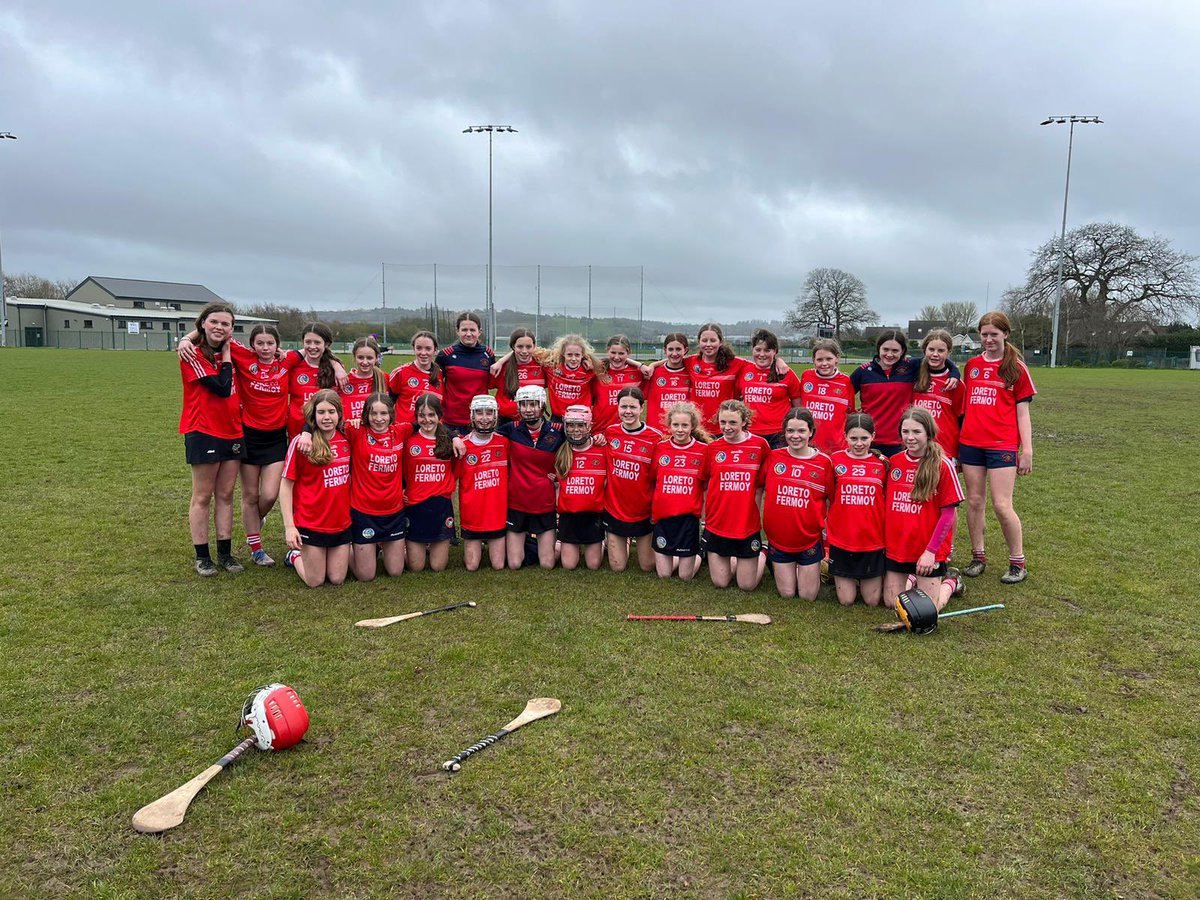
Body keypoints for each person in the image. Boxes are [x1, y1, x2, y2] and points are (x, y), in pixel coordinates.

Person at [959, 311, 1036, 585]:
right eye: (984, 334)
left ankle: (1018, 562)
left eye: (994, 334)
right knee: (975, 501)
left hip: (1001, 445)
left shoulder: (1016, 367)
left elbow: (1023, 414)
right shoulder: (972, 365)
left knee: (1003, 505)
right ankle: (978, 557)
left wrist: (1026, 450)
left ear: (1006, 334)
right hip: (970, 444)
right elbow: (965, 404)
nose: (989, 339)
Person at [178, 302, 246, 576]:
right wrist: (227, 356)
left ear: (231, 329)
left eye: (225, 324)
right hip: (203, 431)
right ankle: (202, 556)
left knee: (227, 495)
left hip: (233, 430)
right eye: (214, 322)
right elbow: (220, 387)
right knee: (203, 495)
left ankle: (226, 554)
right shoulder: (190, 353)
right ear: (203, 324)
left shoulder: (235, 347)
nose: (219, 327)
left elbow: (262, 352)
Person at [883, 407, 965, 611]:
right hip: (899, 547)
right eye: (905, 432)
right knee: (892, 604)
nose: (910, 437)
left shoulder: (942, 465)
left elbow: (949, 515)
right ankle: (913, 576)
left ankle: (951, 583)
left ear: (928, 432)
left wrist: (931, 552)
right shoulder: (894, 462)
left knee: (927, 610)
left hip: (928, 550)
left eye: (916, 432)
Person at [279, 390, 351, 587]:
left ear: (339, 414)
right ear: (313, 415)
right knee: (315, 581)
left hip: (341, 522)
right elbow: (286, 486)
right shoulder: (302, 443)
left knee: (337, 578)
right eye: (321, 412)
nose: (326, 417)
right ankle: (294, 556)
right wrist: (289, 526)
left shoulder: (348, 438)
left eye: (331, 411)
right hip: (311, 522)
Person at [760, 408, 833, 600]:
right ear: (784, 432)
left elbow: (832, 501)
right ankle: (767, 551)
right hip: (780, 540)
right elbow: (759, 485)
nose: (795, 436)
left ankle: (810, 564)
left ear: (811, 432)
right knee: (787, 593)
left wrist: (828, 541)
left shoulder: (824, 463)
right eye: (790, 431)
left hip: (808, 540)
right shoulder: (774, 457)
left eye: (801, 431)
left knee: (808, 596)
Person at [850, 329, 959, 457]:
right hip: (869, 440)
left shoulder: (910, 366)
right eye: (885, 349)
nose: (889, 354)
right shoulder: (863, 372)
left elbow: (941, 359)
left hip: (901, 442)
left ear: (902, 352)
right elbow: (843, 394)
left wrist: (954, 374)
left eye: (895, 351)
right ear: (879, 348)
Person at [700, 399, 769, 591]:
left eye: (732, 423)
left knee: (746, 586)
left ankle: (763, 552)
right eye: (723, 422)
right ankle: (732, 558)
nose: (727, 427)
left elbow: (762, 484)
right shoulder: (713, 448)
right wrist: (706, 516)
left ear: (744, 421)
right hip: (718, 522)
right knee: (720, 582)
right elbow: (705, 484)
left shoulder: (759, 445)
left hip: (746, 523)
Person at [343, 393, 411, 581]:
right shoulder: (356, 431)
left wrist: (454, 437)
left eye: (384, 414)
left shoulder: (401, 431)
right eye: (373, 414)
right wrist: (306, 433)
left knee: (396, 571)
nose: (379, 419)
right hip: (364, 512)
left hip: (393, 511)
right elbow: (324, 421)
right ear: (366, 414)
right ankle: (343, 548)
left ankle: (380, 547)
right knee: (366, 576)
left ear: (391, 414)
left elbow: (432, 423)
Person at [495, 384, 562, 569]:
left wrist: (558, 477)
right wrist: (454, 437)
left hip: (544, 501)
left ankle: (555, 545)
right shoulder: (510, 429)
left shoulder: (558, 431)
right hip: (517, 502)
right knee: (515, 564)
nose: (528, 409)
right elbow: (480, 437)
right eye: (524, 404)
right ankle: (528, 542)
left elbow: (581, 446)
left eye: (533, 404)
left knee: (548, 564)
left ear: (542, 406)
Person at [826, 413, 887, 606]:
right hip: (842, 539)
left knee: (872, 601)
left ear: (873, 436)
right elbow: (828, 497)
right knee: (846, 601)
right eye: (853, 438)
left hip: (872, 540)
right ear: (845, 437)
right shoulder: (834, 460)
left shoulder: (883, 464)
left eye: (864, 438)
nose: (859, 443)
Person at [602, 386, 661, 573]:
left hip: (643, 510)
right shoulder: (609, 433)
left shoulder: (655, 438)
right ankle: (621, 539)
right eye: (623, 407)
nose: (628, 411)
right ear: (617, 407)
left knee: (647, 566)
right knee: (618, 567)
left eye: (633, 407)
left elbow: (659, 477)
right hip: (615, 509)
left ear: (641, 408)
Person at [649, 402, 709, 580]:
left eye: (685, 425)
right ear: (669, 426)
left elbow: (706, 487)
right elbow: (654, 479)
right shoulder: (660, 448)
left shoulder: (703, 451)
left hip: (688, 519)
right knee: (664, 575)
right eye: (676, 425)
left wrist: (705, 517)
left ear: (693, 426)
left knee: (685, 577)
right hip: (663, 517)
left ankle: (700, 553)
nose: (680, 429)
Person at [403, 393, 458, 572]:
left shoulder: (449, 441)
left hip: (440, 506)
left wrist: (455, 436)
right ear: (416, 416)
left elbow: (456, 470)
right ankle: (398, 547)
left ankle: (432, 545)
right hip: (415, 505)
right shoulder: (408, 439)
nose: (426, 420)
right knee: (416, 567)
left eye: (431, 415)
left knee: (438, 567)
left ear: (439, 416)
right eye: (422, 415)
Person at [456, 395, 510, 571]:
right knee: (471, 566)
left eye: (489, 413)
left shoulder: (504, 443)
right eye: (479, 413)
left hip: (496, 515)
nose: (485, 418)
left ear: (496, 416)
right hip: (473, 515)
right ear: (472, 416)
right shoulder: (462, 446)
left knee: (498, 565)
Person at [554, 404, 608, 570]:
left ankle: (606, 540)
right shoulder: (561, 451)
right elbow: (557, 485)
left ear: (589, 426)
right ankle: (558, 542)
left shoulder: (602, 449)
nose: (575, 430)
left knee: (593, 565)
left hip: (593, 516)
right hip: (569, 517)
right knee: (569, 565)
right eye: (570, 425)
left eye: (580, 425)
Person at [740, 328, 803, 448]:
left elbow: (798, 407)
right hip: (751, 433)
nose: (762, 354)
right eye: (758, 350)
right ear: (752, 350)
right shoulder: (744, 370)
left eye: (767, 350)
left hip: (778, 434)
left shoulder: (785, 373)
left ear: (775, 352)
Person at [436, 312, 495, 435]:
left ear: (480, 331)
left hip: (480, 419)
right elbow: (436, 386)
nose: (468, 334)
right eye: (464, 330)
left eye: (472, 330)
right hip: (451, 421)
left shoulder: (488, 354)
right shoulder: (445, 355)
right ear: (457, 331)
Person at [912, 329, 965, 462]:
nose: (935, 354)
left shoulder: (955, 383)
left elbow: (962, 418)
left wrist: (959, 452)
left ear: (949, 352)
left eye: (941, 351)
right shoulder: (913, 376)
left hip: (945, 448)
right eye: (931, 349)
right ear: (924, 350)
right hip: (916, 446)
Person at [799, 338, 855, 456]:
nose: (824, 363)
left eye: (829, 359)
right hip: (808, 444)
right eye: (819, 359)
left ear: (837, 358)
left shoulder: (845, 382)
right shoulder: (806, 376)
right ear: (813, 360)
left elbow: (850, 412)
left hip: (836, 446)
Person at [492, 328, 546, 422]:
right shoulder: (502, 367)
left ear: (534, 346)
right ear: (513, 346)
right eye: (520, 346)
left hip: (534, 420)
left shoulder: (542, 365)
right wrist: (501, 361)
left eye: (528, 347)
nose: (524, 351)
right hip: (505, 421)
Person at [592, 335, 644, 431]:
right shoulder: (597, 372)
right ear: (607, 351)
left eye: (621, 353)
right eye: (613, 352)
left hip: (626, 431)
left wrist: (640, 365)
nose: (616, 357)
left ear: (628, 353)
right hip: (600, 430)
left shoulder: (638, 373)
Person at [542, 334, 601, 420]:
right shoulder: (551, 368)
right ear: (563, 353)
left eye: (577, 355)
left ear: (583, 355)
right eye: (569, 355)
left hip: (581, 420)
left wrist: (628, 360)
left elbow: (614, 362)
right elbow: (533, 353)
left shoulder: (590, 371)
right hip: (557, 419)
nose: (573, 359)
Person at [387, 331, 443, 420]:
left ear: (435, 350)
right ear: (413, 349)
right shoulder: (400, 372)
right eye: (419, 348)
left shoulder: (441, 375)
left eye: (428, 349)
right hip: (404, 430)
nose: (423, 353)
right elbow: (388, 404)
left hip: (430, 431)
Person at [642, 333, 692, 432]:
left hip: (681, 432)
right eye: (670, 349)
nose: (674, 353)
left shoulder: (691, 372)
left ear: (685, 350)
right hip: (656, 431)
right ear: (665, 350)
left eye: (678, 349)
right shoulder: (654, 372)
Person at [343, 337, 389, 424]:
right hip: (349, 433)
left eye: (369, 358)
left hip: (376, 433)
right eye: (360, 357)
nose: (365, 362)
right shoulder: (344, 381)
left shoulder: (385, 378)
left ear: (376, 358)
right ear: (354, 357)